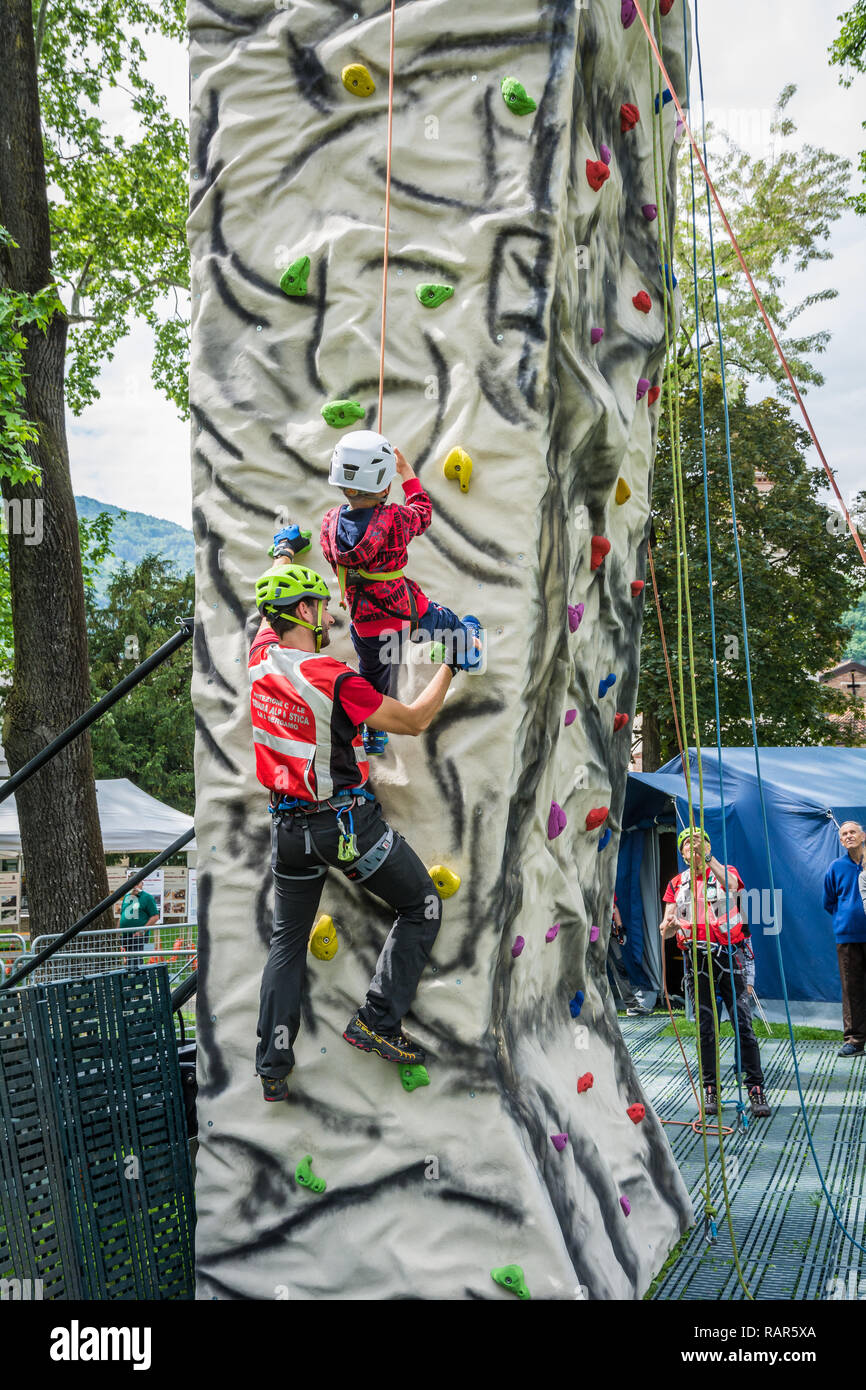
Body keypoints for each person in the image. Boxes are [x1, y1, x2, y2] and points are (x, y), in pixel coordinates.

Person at [250, 558, 478, 1103]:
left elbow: (266, 613)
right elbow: (414, 720)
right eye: (320, 607)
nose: (329, 615)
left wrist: (283, 555)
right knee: (422, 903)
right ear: (303, 611)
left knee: (286, 943)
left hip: (288, 833)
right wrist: (453, 664)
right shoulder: (332, 678)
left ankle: (272, 1066)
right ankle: (378, 1019)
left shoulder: (260, 662)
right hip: (345, 825)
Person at [317, 431, 482, 754]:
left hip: (365, 622)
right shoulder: (394, 519)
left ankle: (375, 733)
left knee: (374, 676)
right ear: (385, 486)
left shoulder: (329, 524)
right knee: (445, 622)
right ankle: (470, 649)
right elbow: (422, 512)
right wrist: (406, 472)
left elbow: (330, 552)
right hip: (405, 612)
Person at [659, 827, 770, 1119]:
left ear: (708, 847)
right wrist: (668, 927)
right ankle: (710, 1088)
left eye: (699, 844)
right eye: (687, 846)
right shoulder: (677, 883)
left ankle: (755, 1087)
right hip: (698, 960)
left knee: (742, 1024)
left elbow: (733, 885)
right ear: (681, 853)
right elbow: (668, 928)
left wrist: (708, 858)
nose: (693, 850)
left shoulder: (723, 871)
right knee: (706, 1028)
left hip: (728, 956)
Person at [823, 820, 866, 1057]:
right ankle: (855, 1040)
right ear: (841, 841)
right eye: (844, 834)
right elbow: (828, 901)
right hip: (848, 936)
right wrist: (848, 916)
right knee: (852, 988)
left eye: (852, 832)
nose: (848, 836)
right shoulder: (835, 867)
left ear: (863, 836)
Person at [120, 881, 160, 962]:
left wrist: (142, 931)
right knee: (127, 959)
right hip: (125, 934)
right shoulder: (126, 897)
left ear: (142, 883)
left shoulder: (147, 897)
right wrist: (117, 931)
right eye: (132, 884)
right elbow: (122, 915)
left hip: (138, 936)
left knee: (136, 960)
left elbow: (155, 917)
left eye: (137, 883)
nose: (135, 886)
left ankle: (140, 974)